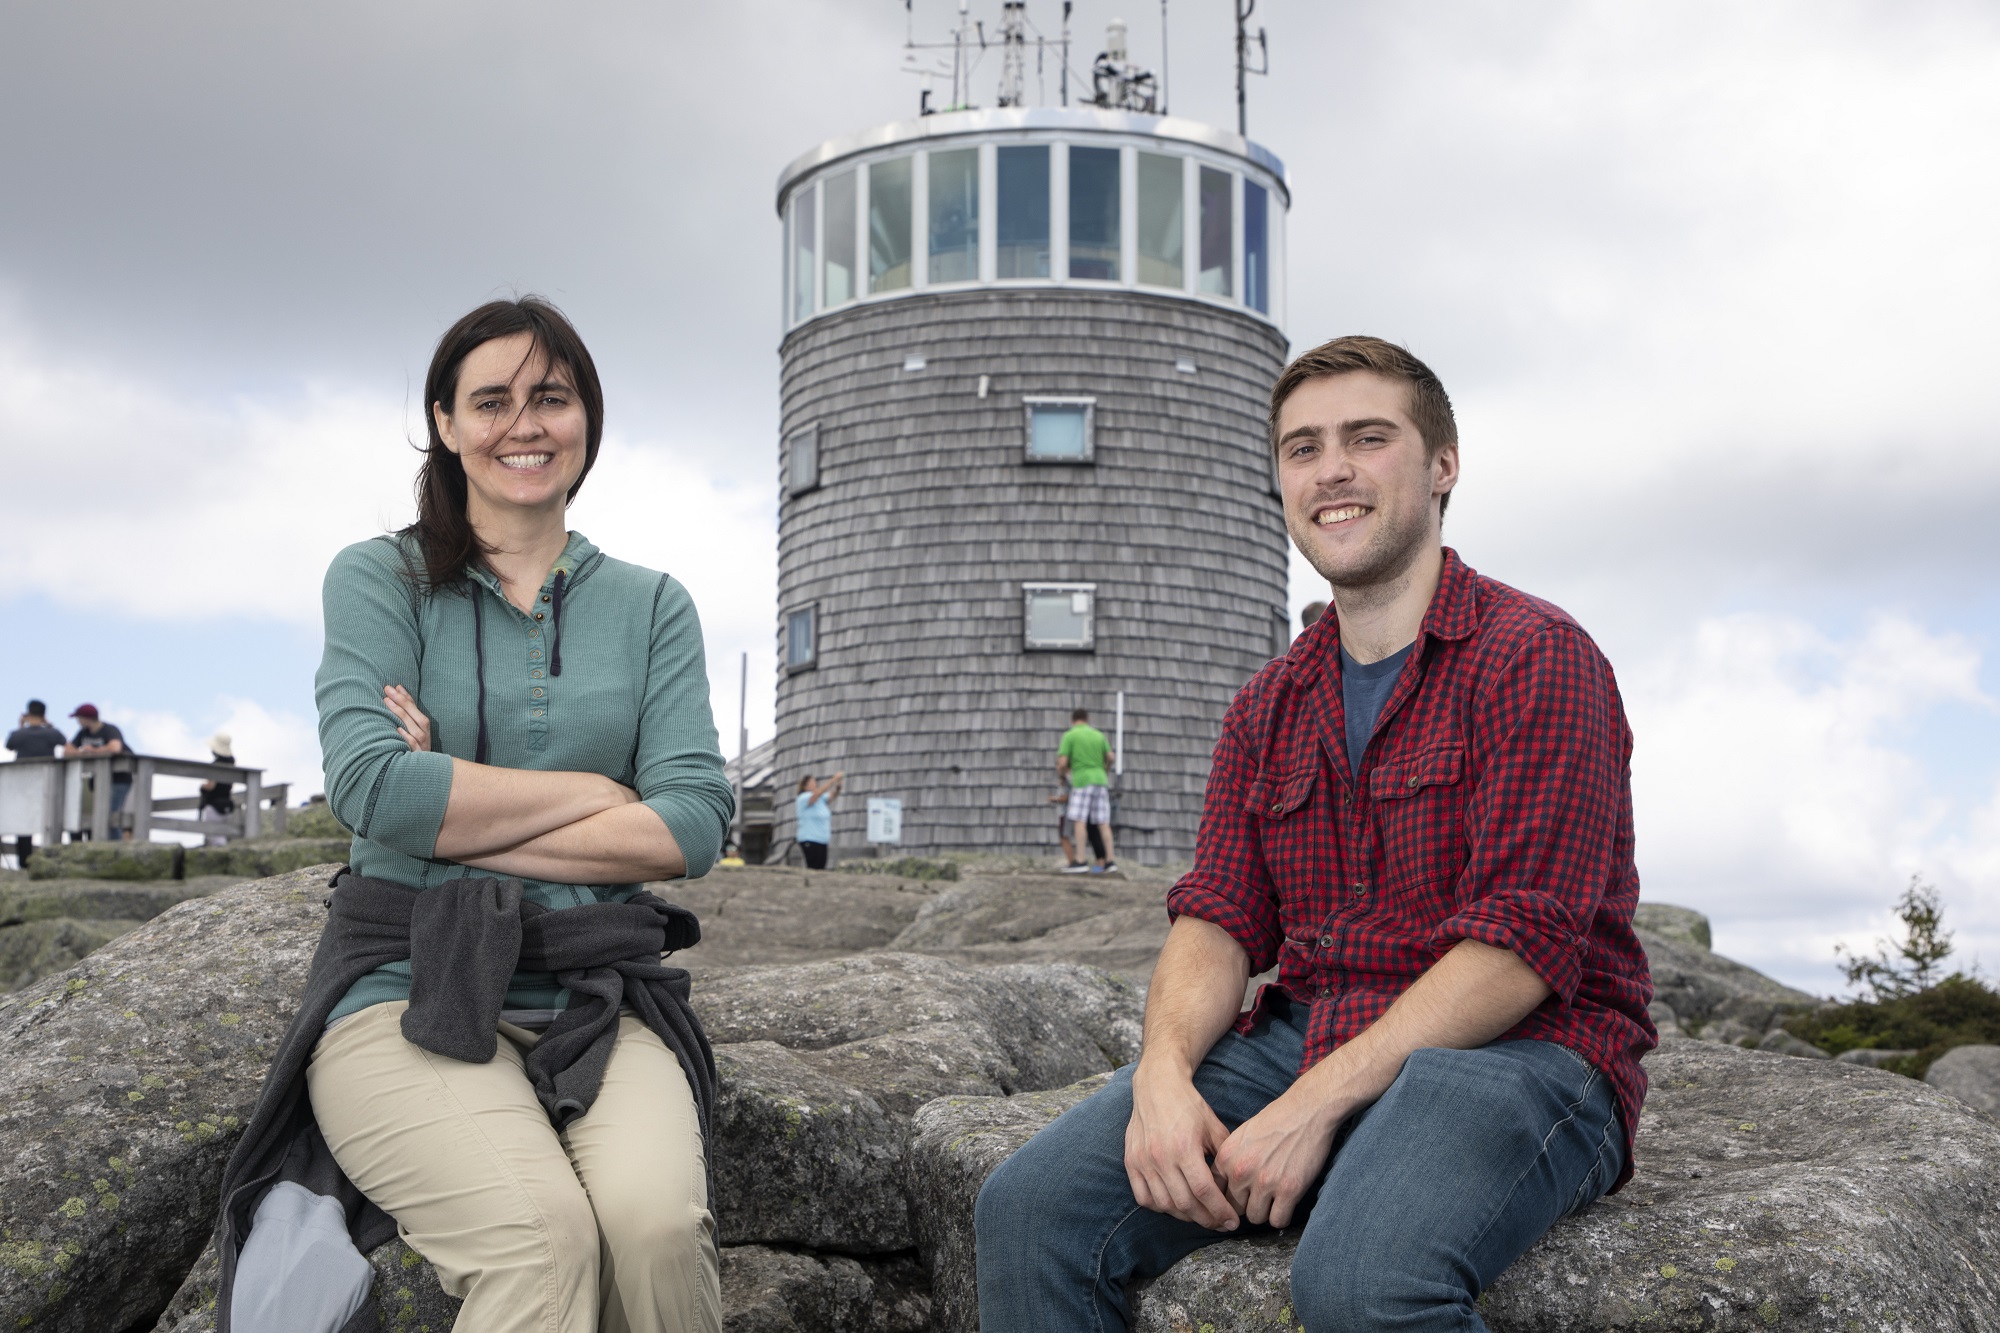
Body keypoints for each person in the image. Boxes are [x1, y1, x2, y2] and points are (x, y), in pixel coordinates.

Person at [975, 336, 1654, 1332]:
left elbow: (1520, 949)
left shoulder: (1535, 658)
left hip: (1525, 1053)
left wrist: (1310, 1106)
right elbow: (1215, 919)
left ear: (1441, 466)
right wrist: (1159, 1079)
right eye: (1300, 449)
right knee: (1028, 1210)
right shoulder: (1267, 704)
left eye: (1366, 438)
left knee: (1359, 1283)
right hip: (1308, 1032)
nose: (1329, 469)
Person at [213, 298, 734, 1333]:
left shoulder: (651, 604)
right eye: (489, 401)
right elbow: (372, 789)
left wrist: (447, 788)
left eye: (551, 396)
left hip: (594, 991)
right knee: (540, 1239)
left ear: (587, 416)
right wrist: (598, 793)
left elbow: (691, 828)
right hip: (403, 990)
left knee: (658, 1228)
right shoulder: (380, 580)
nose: (523, 424)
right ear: (445, 424)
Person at [1056, 708, 1116, 874]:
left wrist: (1062, 775)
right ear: (1087, 719)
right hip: (1100, 780)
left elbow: (1062, 763)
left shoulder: (1070, 735)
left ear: (1073, 720)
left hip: (1082, 780)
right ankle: (1110, 861)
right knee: (1103, 822)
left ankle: (1080, 861)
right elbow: (1111, 757)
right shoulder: (1098, 735)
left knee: (1080, 820)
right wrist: (1105, 769)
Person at [5, 700, 64, 866]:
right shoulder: (52, 734)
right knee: (49, 823)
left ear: (28, 714)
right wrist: (49, 725)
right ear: (44, 715)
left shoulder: (18, 735)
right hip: (48, 785)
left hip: (22, 786)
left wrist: (21, 725)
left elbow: (9, 745)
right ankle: (51, 861)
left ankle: (24, 863)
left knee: (23, 825)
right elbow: (62, 740)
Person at [65, 703, 132, 840]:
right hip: (99, 780)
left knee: (110, 814)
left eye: (79, 718)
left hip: (119, 779)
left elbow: (115, 748)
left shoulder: (110, 730)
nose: (78, 721)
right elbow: (67, 751)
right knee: (100, 813)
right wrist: (81, 753)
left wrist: (93, 751)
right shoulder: (83, 733)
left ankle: (116, 848)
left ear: (86, 718)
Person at [795, 771, 843, 870]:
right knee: (813, 866)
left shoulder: (820, 799)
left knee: (821, 867)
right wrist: (833, 780)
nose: (815, 784)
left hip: (821, 839)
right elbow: (817, 794)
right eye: (812, 782)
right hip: (810, 839)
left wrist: (838, 788)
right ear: (805, 786)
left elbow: (831, 796)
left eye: (815, 782)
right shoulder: (803, 798)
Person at [198, 732, 238, 846]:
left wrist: (202, 787)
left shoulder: (216, 765)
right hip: (227, 806)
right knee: (222, 836)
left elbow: (211, 786)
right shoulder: (232, 764)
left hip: (214, 806)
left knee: (213, 836)